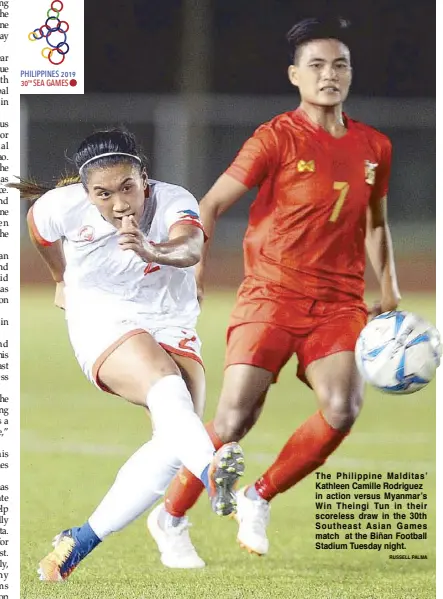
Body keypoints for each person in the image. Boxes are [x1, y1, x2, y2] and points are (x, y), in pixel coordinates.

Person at [147, 16, 401, 568]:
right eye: (316, 65)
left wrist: (391, 291)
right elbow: (210, 204)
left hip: (339, 302)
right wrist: (194, 271)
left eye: (340, 65)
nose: (329, 75)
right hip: (270, 293)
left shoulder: (373, 146)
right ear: (295, 75)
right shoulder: (275, 137)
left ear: (350, 75)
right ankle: (169, 517)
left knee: (342, 406)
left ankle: (257, 496)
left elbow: (376, 223)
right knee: (235, 418)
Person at [15, 128, 245, 581]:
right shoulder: (62, 208)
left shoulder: (175, 199)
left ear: (144, 178)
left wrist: (150, 247)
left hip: (171, 320)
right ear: (85, 192)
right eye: (103, 194)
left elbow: (192, 245)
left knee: (171, 441)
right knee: (165, 385)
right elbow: (39, 231)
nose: (119, 203)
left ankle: (79, 540)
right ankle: (211, 469)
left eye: (127, 188)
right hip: (100, 318)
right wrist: (62, 279)